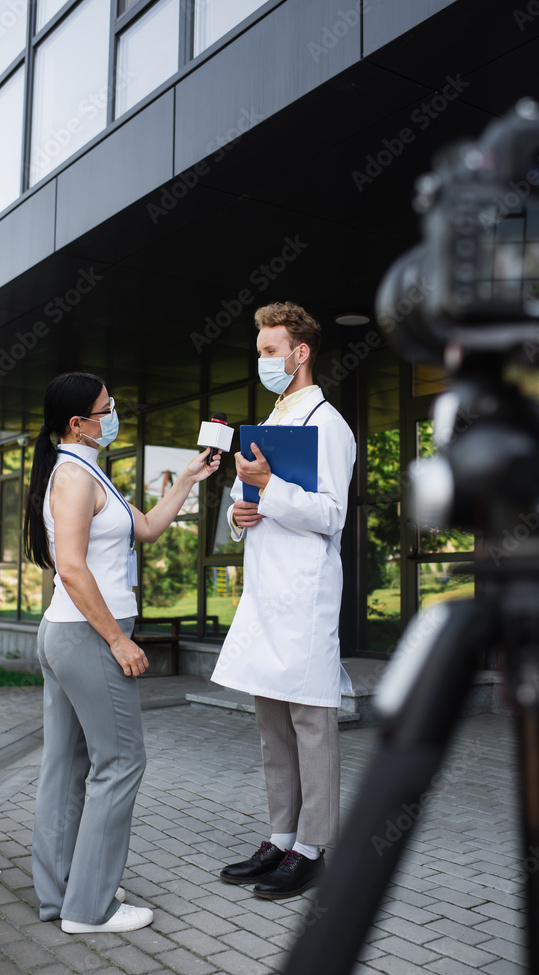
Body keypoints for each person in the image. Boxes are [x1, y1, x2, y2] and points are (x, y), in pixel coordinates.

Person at [23, 372, 219, 934]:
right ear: (77, 423)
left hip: (69, 632)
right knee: (121, 763)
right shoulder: (74, 478)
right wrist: (117, 639)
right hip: (87, 637)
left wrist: (187, 476)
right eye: (107, 409)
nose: (115, 416)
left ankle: (63, 893)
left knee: (67, 767)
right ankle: (92, 908)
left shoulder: (87, 470)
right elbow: (72, 567)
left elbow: (151, 528)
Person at [211, 302, 356, 900]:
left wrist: (270, 487)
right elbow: (250, 508)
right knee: (271, 725)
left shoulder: (330, 425)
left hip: (305, 596)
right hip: (265, 594)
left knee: (311, 725)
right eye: (260, 349)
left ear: (300, 353)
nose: (263, 359)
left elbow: (330, 514)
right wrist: (242, 513)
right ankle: (280, 835)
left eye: (271, 350)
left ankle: (314, 848)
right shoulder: (269, 422)